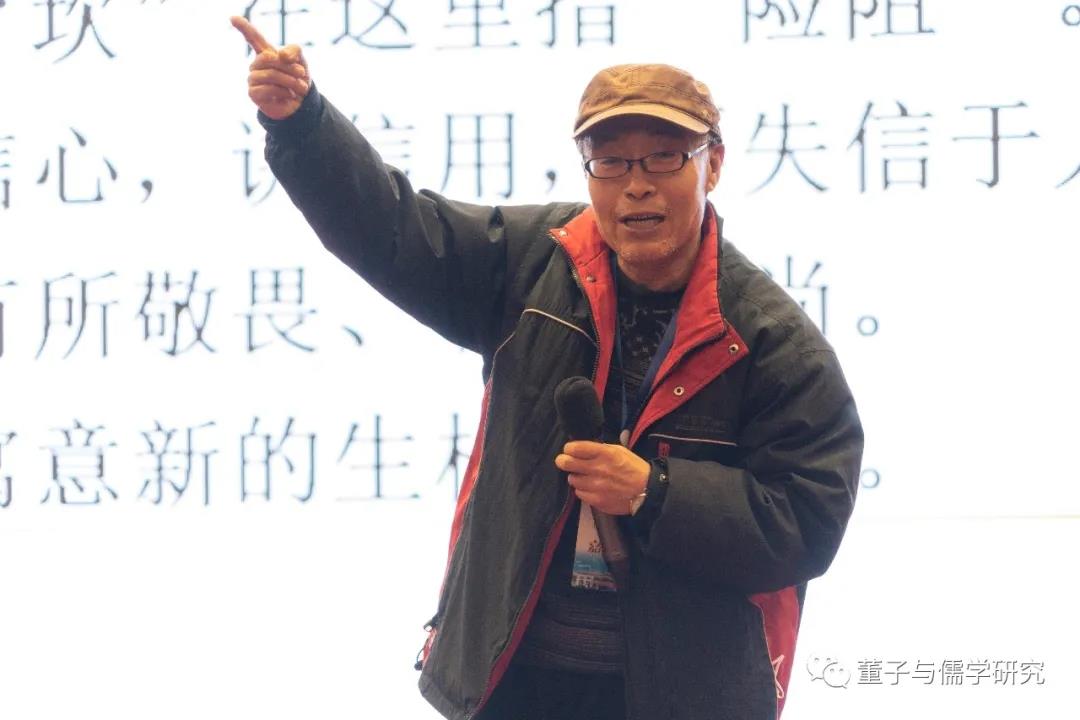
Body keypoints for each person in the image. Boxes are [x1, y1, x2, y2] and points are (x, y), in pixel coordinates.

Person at [232, 15, 864, 720]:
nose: (636, 186)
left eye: (663, 158)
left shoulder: (771, 340)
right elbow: (395, 229)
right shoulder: (533, 261)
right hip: (517, 679)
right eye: (610, 162)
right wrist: (302, 124)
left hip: (677, 695)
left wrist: (655, 491)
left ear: (712, 164)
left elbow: (808, 519)